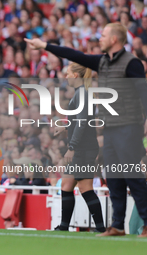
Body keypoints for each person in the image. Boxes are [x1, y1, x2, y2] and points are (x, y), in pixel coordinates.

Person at [25, 23, 147, 237]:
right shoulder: (103, 62)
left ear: (114, 40)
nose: (99, 38)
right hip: (110, 129)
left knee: (131, 177)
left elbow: (144, 93)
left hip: (128, 127)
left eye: (103, 35)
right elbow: (74, 54)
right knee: (114, 179)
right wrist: (44, 45)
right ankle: (117, 225)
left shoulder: (131, 63)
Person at [53, 62, 105, 233]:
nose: (65, 76)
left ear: (75, 75)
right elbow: (81, 121)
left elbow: (83, 123)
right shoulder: (81, 93)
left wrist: (72, 146)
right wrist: (66, 127)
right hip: (84, 147)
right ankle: (64, 227)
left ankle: (100, 228)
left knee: (85, 188)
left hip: (84, 149)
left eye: (68, 73)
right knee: (66, 186)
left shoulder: (82, 93)